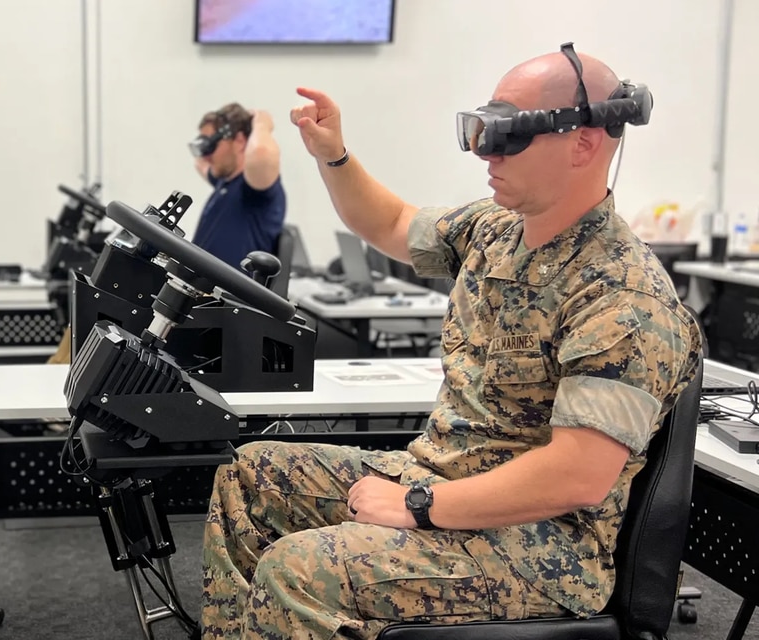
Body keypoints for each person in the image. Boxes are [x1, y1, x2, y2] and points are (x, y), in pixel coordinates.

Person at [200, 45, 702, 639]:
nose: (483, 151)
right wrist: (334, 155)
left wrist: (417, 506)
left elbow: (578, 476)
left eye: (505, 134)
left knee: (301, 569)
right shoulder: (495, 231)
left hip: (544, 548)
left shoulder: (624, 295)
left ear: (584, 143)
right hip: (441, 480)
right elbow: (390, 223)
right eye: (479, 129)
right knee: (251, 474)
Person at [189, 103, 286, 271]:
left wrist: (261, 121)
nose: (206, 156)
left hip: (223, 296)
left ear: (240, 141)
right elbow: (200, 163)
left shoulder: (254, 192)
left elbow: (261, 151)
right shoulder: (224, 183)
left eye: (210, 145)